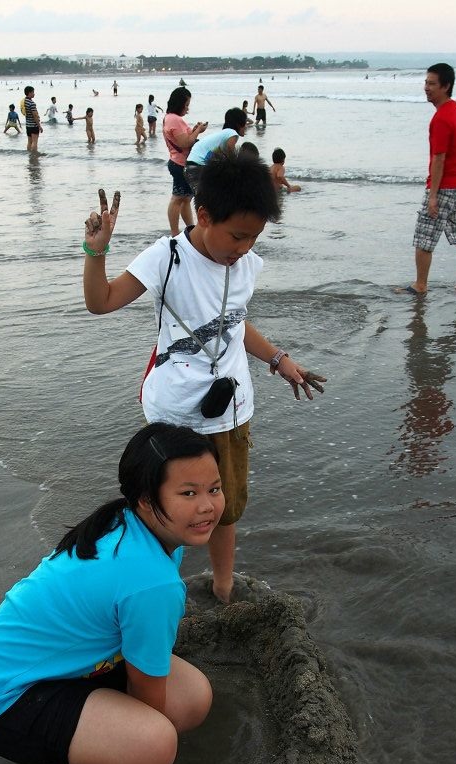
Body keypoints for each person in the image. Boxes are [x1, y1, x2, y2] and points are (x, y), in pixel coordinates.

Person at [82, 156, 327, 603]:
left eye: (254, 237)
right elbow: (101, 302)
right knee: (161, 507)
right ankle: (150, 588)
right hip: (173, 413)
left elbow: (232, 323)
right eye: (237, 235)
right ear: (205, 215)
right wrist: (96, 252)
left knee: (224, 507)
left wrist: (278, 358)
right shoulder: (167, 257)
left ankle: (223, 587)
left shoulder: (247, 265)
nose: (244, 247)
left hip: (230, 411)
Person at [0, 423, 218, 764]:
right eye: (188, 493)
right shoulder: (149, 581)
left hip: (39, 669)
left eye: (213, 488)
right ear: (146, 500)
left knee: (192, 698)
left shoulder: (132, 524)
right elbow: (147, 690)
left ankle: (104, 752)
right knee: (156, 747)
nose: (207, 506)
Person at [400, 63, 456, 295]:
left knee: (425, 236)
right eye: (426, 82)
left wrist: (433, 195)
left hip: (444, 187)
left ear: (446, 86)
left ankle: (420, 285)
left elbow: (439, 159)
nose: (426, 87)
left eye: (432, 83)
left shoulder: (442, 118)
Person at [162, 86, 208, 236]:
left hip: (178, 162)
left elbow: (184, 138)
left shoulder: (170, 118)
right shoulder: (175, 119)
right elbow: (185, 143)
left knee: (186, 199)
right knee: (177, 198)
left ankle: (191, 228)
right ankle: (175, 233)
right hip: (180, 163)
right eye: (186, 105)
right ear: (180, 103)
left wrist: (195, 129)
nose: (188, 108)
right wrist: (198, 131)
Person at [184, 107, 246, 191]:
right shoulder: (232, 134)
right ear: (239, 124)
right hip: (198, 167)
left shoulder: (224, 133)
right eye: (245, 123)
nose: (246, 126)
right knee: (209, 199)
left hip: (190, 166)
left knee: (204, 199)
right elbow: (231, 158)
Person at [22, 86, 43, 151]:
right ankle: (34, 156)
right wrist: (39, 126)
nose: (34, 94)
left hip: (28, 125)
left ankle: (30, 155)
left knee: (29, 141)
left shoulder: (24, 101)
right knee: (35, 142)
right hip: (34, 125)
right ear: (29, 93)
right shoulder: (32, 103)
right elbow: (35, 116)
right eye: (33, 92)